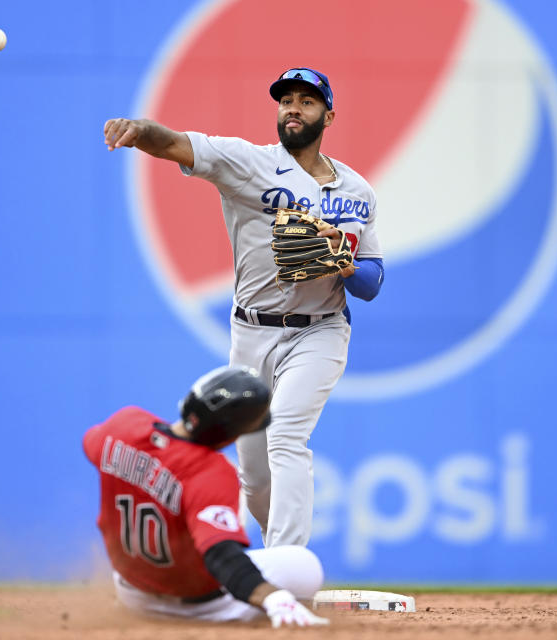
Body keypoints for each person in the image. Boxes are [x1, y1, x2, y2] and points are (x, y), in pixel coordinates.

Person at [103, 68, 384, 548]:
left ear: (329, 115)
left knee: (287, 437)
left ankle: (286, 565)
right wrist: (139, 131)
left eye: (307, 101)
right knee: (253, 476)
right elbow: (175, 144)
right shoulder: (248, 162)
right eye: (286, 100)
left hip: (320, 330)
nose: (293, 107)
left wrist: (344, 266)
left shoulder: (357, 192)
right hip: (251, 333)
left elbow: (372, 282)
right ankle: (276, 559)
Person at [83, 365, 329, 626]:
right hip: (199, 607)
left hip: (132, 593)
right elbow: (221, 555)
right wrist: (273, 598)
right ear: (229, 435)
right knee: (304, 564)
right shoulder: (210, 472)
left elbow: (90, 443)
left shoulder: (124, 425)